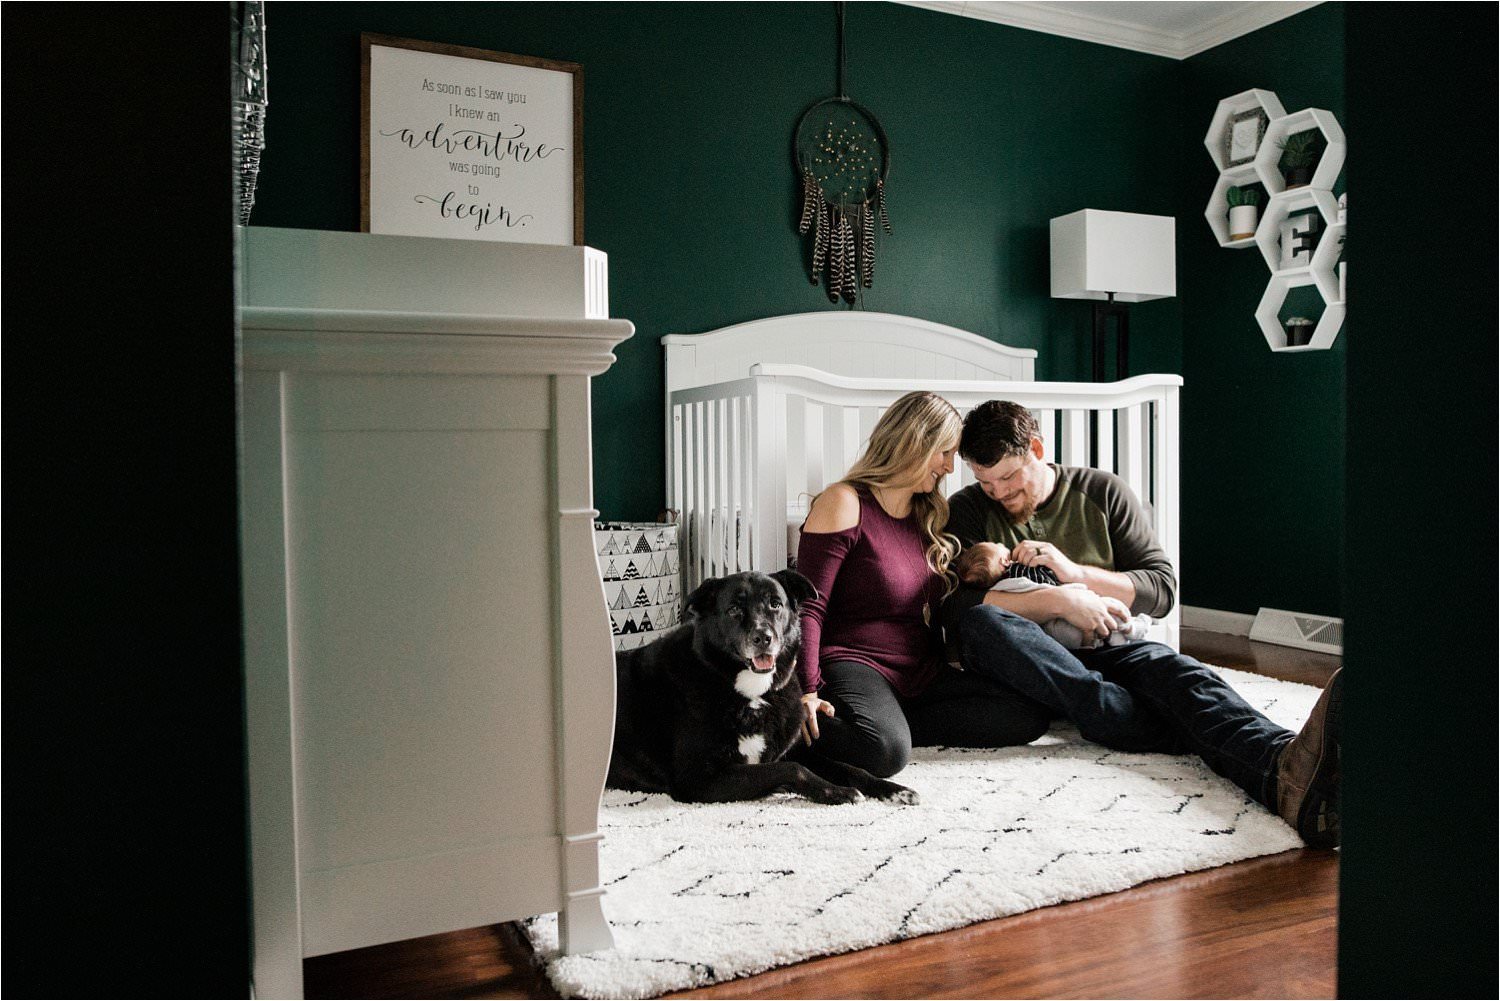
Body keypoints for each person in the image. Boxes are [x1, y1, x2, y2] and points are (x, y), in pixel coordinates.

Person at [942, 400, 1342, 848]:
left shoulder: (1102, 490)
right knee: (982, 623)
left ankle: (1284, 774)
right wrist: (1059, 600)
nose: (998, 493)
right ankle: (1121, 715)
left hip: (1109, 643)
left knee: (1185, 677)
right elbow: (955, 605)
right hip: (1026, 656)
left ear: (1036, 448)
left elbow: (1161, 590)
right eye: (985, 481)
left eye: (1009, 476)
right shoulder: (967, 510)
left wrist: (1076, 574)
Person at [795, 391, 1051, 778]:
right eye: (945, 452)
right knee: (884, 754)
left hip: (917, 669)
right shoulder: (844, 502)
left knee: (1027, 715)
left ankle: (887, 723)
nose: (950, 467)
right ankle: (788, 729)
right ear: (916, 442)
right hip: (855, 660)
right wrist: (806, 690)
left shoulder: (927, 516)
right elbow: (808, 605)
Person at [952, 541, 1152, 649]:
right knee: (1108, 608)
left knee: (1092, 630)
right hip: (1069, 608)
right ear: (1005, 561)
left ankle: (1107, 640)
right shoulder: (1023, 569)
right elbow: (1049, 582)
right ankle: (1132, 627)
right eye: (995, 543)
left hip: (1055, 634)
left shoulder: (999, 590)